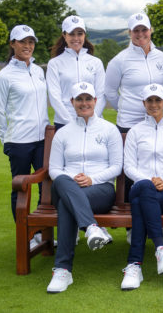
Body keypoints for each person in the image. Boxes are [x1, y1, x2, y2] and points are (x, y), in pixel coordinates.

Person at [105, 13, 163, 241]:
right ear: (129, 33)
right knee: (132, 174)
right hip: (129, 123)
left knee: (158, 164)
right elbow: (110, 92)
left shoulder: (162, 58)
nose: (140, 34)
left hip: (158, 121)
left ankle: (157, 220)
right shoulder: (120, 60)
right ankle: (132, 227)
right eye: (135, 30)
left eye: (144, 30)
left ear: (150, 30)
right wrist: (129, 109)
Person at [46, 82, 123, 293]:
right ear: (72, 102)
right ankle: (91, 227)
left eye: (88, 99)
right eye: (79, 99)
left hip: (100, 190)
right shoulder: (63, 133)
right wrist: (73, 179)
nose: (84, 103)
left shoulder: (109, 129)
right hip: (66, 185)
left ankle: (62, 270)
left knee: (65, 204)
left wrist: (91, 179)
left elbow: (116, 166)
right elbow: (54, 169)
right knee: (62, 181)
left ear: (95, 101)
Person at [121, 84, 163, 291]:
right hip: (142, 186)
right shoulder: (135, 131)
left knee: (141, 204)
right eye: (149, 101)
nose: (154, 104)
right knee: (144, 192)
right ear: (144, 104)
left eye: (158, 100)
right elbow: (129, 166)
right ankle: (160, 247)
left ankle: (134, 265)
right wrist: (149, 181)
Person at [0, 25, 49, 249]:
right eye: (22, 41)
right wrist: (5, 140)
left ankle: (41, 235)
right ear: (12, 44)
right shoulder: (4, 76)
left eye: (31, 42)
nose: (27, 46)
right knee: (22, 188)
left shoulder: (37, 70)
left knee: (47, 189)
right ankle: (25, 237)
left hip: (42, 139)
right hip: (19, 142)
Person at [47, 15, 106, 131]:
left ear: (84, 35)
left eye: (80, 33)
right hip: (64, 124)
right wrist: (71, 123)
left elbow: (101, 94)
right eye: (71, 34)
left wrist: (92, 119)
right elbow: (55, 97)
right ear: (64, 35)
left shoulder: (96, 62)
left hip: (93, 123)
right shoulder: (54, 63)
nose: (76, 38)